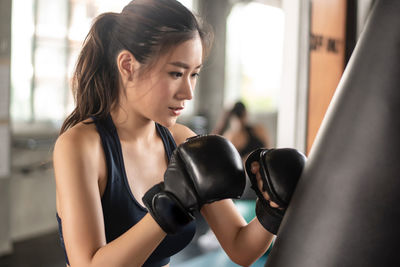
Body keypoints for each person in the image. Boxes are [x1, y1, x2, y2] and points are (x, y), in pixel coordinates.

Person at [53, 1, 299, 266]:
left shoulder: (182, 141)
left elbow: (240, 248)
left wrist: (272, 210)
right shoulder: (81, 146)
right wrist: (167, 210)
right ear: (127, 65)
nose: (188, 93)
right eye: (175, 73)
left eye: (193, 75)